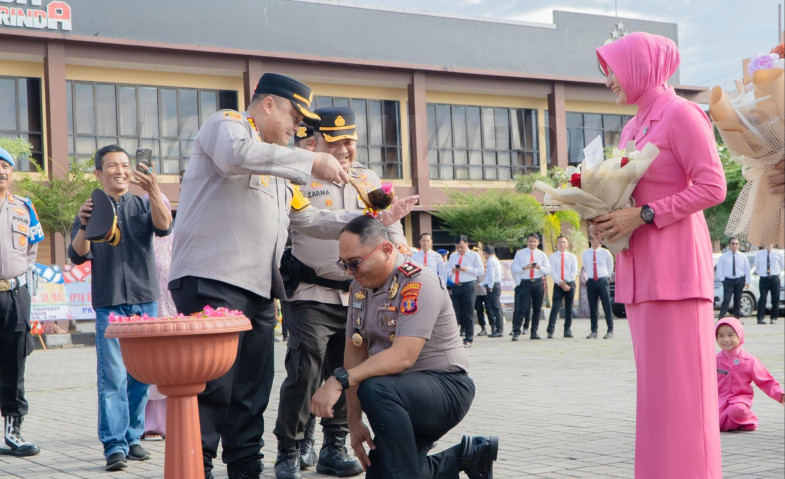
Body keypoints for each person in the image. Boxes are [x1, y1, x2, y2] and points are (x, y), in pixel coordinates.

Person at [167, 72, 417, 479]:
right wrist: (312, 159)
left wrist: (374, 218)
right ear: (268, 104)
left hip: (258, 289)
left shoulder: (277, 161)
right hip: (212, 279)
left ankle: (245, 468)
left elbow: (308, 218)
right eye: (293, 116)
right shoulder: (228, 125)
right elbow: (235, 156)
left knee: (252, 391)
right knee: (215, 387)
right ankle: (199, 467)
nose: (297, 128)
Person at [592, 32, 726, 477]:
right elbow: (625, 194)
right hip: (639, 270)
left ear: (640, 65)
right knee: (657, 397)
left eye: (612, 69)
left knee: (683, 395)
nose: (608, 79)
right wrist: (603, 216)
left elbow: (713, 187)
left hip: (676, 269)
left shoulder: (682, 114)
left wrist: (645, 214)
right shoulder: (634, 125)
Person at [310, 215, 498, 479]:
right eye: (344, 264)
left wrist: (337, 380)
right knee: (384, 473)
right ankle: (468, 455)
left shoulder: (418, 282)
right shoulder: (359, 288)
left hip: (443, 390)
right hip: (396, 397)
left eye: (354, 262)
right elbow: (355, 350)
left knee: (373, 387)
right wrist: (353, 422)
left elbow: (402, 357)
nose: (350, 271)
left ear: (386, 250)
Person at [273, 107, 405, 479]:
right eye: (339, 141)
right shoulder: (299, 175)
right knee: (304, 371)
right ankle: (289, 448)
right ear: (315, 142)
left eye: (352, 141)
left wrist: (401, 246)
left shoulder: (368, 177)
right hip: (311, 292)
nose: (348, 149)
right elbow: (302, 226)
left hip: (357, 296)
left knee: (347, 373)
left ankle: (334, 446)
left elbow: (386, 227)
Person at [68, 144, 173, 471]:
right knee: (112, 376)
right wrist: (85, 225)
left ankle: (133, 438)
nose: (120, 170)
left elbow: (165, 225)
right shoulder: (90, 208)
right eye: (112, 166)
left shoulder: (142, 204)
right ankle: (114, 446)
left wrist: (154, 189)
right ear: (99, 173)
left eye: (125, 165)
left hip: (145, 298)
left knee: (142, 374)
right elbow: (77, 253)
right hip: (109, 303)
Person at [0, 147, 44, 458]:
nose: (2, 171)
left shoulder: (24, 207)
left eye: (6, 166)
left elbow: (31, 252)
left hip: (15, 295)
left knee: (15, 363)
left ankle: (14, 433)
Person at [142, 195, 175, 442]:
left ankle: (171, 420)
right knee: (148, 364)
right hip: (147, 308)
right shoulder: (139, 236)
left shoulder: (175, 235)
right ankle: (147, 423)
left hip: (172, 307)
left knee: (170, 364)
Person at [715, 316, 785, 431]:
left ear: (740, 335)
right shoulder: (715, 360)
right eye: (721, 335)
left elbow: (766, 381)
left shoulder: (749, 361)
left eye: (731, 335)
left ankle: (749, 420)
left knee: (736, 410)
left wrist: (780, 395)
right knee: (711, 419)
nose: (726, 339)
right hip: (719, 401)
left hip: (739, 400)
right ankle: (730, 422)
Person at [446, 235, 484, 347]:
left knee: (468, 312)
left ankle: (469, 339)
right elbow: (447, 271)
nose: (460, 249)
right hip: (456, 286)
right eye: (457, 247)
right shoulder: (453, 256)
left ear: (467, 244)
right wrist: (453, 270)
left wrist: (467, 269)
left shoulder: (474, 255)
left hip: (469, 285)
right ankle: (454, 339)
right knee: (455, 313)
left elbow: (480, 271)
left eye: (462, 247)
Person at [510, 234, 550, 341]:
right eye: (530, 241)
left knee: (537, 309)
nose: (532, 243)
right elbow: (514, 269)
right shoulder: (520, 254)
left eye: (534, 241)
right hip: (525, 283)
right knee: (521, 308)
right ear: (527, 242)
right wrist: (524, 268)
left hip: (537, 282)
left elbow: (548, 270)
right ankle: (516, 331)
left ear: (538, 242)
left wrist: (539, 267)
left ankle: (534, 332)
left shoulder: (542, 255)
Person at [580, 238, 614, 339]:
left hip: (603, 280)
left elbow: (610, 266)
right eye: (596, 239)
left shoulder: (605, 252)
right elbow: (585, 266)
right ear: (591, 240)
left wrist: (606, 277)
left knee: (606, 305)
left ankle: (610, 330)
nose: (599, 241)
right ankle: (594, 330)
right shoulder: (586, 253)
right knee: (593, 307)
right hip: (591, 281)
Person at [546, 236, 578, 339]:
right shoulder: (552, 257)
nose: (562, 244)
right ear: (556, 244)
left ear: (567, 244)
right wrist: (561, 283)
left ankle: (567, 330)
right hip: (558, 284)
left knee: (569, 307)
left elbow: (574, 271)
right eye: (560, 242)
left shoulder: (572, 256)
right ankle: (550, 331)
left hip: (570, 284)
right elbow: (552, 271)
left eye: (564, 242)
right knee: (555, 307)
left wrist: (566, 282)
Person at [716, 237, 751, 319]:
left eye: (736, 243)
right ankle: (721, 317)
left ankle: (736, 318)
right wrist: (722, 279)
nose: (734, 245)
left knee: (738, 300)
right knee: (726, 299)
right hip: (728, 280)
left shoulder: (743, 256)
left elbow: (747, 269)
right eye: (732, 243)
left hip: (739, 280)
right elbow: (720, 268)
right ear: (729, 245)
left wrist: (747, 281)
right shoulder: (724, 257)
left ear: (738, 245)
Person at [754, 244, 782, 324]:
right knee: (762, 298)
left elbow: (782, 265)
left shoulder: (778, 254)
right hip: (764, 278)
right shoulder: (759, 254)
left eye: (770, 243)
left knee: (775, 299)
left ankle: (773, 317)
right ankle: (760, 318)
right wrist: (762, 274)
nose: (768, 245)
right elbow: (757, 266)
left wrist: (776, 273)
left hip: (774, 278)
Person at [480, 245, 504, 337]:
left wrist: (490, 286)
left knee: (495, 308)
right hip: (496, 285)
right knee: (496, 307)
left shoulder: (491, 261)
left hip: (493, 286)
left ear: (486, 253)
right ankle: (499, 328)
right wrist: (482, 284)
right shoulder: (495, 260)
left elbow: (491, 275)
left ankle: (499, 329)